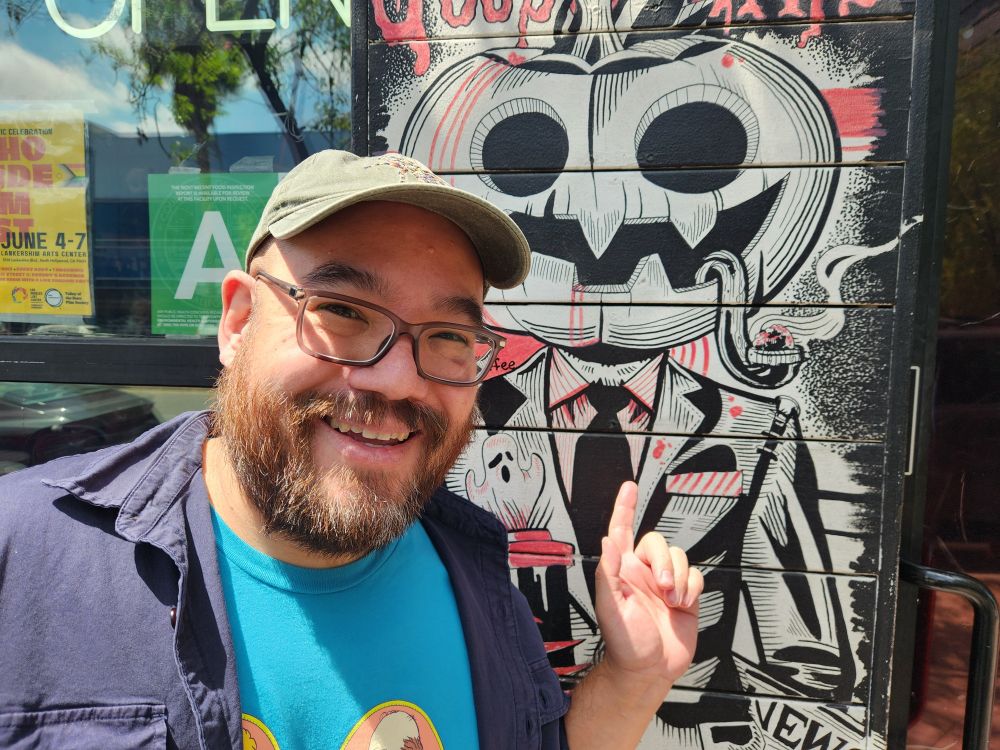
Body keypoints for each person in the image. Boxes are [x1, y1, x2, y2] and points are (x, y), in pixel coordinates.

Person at [0, 150, 703, 749]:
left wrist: (631, 679)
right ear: (238, 322)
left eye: (449, 336)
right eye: (341, 311)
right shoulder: (26, 557)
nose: (398, 379)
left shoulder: (480, 579)